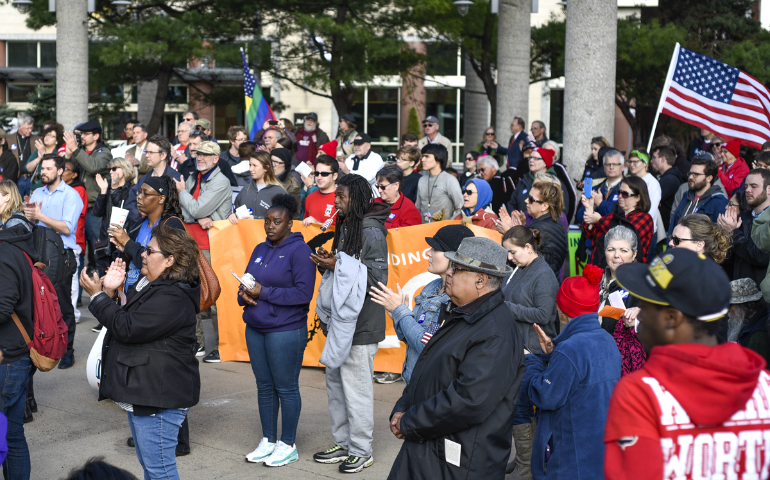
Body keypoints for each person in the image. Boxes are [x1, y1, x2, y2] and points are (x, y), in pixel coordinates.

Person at [605, 248, 769, 479]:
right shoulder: (765, 389)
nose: (639, 316)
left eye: (646, 306)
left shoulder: (640, 396)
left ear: (672, 319)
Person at [387, 237, 524, 479]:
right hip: (429, 450)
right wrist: (403, 409)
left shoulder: (494, 331)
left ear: (480, 280)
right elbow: (428, 369)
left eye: (457, 268)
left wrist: (409, 422)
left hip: (457, 463)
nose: (448, 273)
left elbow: (468, 400)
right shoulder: (461, 312)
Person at [80, 225, 201, 480]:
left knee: (160, 472)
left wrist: (98, 297)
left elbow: (127, 328)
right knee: (151, 468)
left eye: (149, 250)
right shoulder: (154, 285)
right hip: (148, 393)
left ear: (170, 260)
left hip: (158, 397)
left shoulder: (172, 296)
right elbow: (126, 318)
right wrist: (111, 291)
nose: (142, 254)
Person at [310, 174, 389, 473]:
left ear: (356, 197)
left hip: (362, 324)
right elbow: (350, 268)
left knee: (356, 391)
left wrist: (338, 265)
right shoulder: (346, 224)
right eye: (336, 195)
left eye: (341, 195)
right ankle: (343, 443)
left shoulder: (370, 231)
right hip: (341, 323)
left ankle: (361, 450)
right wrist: (333, 261)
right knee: (336, 387)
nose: (336, 200)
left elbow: (378, 280)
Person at [523, 263, 621, 480]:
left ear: (561, 310)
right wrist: (551, 355)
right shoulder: (606, 339)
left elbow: (545, 395)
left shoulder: (570, 349)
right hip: (601, 448)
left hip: (572, 454)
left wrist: (532, 361)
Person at [238, 194, 315, 467]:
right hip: (256, 326)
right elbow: (247, 282)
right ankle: (268, 440)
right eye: (267, 221)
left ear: (290, 224)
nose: (270, 226)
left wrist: (264, 292)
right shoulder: (260, 248)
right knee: (264, 387)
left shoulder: (300, 251)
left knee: (286, 387)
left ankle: (288, 444)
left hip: (285, 329)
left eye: (277, 221)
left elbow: (303, 294)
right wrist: (243, 295)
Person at [370, 225, 475, 385]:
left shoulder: (456, 300)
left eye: (436, 249)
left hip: (431, 389)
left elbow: (427, 345)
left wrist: (401, 313)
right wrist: (399, 317)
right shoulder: (432, 286)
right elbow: (413, 339)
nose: (428, 252)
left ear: (455, 257)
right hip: (413, 383)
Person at [500, 225, 559, 478]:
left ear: (528, 247)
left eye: (512, 252)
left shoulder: (543, 274)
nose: (509, 258)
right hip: (517, 348)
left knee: (522, 407)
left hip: (533, 351)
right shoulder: (520, 268)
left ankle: (528, 465)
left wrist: (506, 307)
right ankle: (524, 460)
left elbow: (544, 314)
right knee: (516, 407)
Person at [174, 140, 232, 364]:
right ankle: (196, 343)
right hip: (190, 242)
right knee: (190, 294)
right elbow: (186, 211)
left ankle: (219, 347)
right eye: (198, 153)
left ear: (216, 159)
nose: (199, 157)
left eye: (206, 155)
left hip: (211, 246)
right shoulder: (193, 176)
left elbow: (195, 207)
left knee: (215, 297)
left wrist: (185, 197)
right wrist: (196, 214)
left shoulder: (221, 181)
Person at [25, 154, 82, 369]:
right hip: (38, 254)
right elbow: (32, 221)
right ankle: (40, 344)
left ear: (60, 171)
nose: (44, 172)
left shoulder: (71, 195)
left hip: (62, 257)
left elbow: (67, 228)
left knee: (63, 305)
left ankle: (67, 351)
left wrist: (39, 216)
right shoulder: (38, 192)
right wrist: (28, 213)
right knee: (37, 303)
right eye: (42, 168)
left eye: (48, 168)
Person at [0, 219, 37, 480]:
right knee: (12, 433)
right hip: (17, 352)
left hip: (7, 357)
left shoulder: (3, 253)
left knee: (9, 435)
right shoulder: (17, 247)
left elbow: (3, 304)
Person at [598, 226, 646, 376]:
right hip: (595, 355)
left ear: (634, 254)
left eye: (624, 251)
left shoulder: (641, 285)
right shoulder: (597, 279)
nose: (616, 255)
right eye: (611, 249)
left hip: (619, 364)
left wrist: (640, 315)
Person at [500, 179, 568, 278]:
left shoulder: (539, 229)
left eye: (531, 199)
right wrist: (519, 229)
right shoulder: (555, 222)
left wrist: (508, 233)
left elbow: (520, 261)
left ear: (544, 206)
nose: (526, 201)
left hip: (537, 285)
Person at [583, 175, 654, 266]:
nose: (620, 196)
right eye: (618, 192)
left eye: (625, 194)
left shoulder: (645, 218)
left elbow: (625, 234)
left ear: (638, 197)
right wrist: (589, 207)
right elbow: (590, 234)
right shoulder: (613, 215)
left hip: (628, 273)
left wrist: (599, 220)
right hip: (601, 270)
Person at [718, 169, 770, 285]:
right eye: (746, 186)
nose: (747, 190)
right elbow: (730, 261)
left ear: (769, 189)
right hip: (738, 295)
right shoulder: (742, 219)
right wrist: (723, 235)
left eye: (754, 186)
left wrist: (734, 233)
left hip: (762, 298)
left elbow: (761, 257)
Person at [124, 135, 182, 226]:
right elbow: (130, 203)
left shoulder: (175, 178)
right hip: (144, 227)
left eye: (151, 152)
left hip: (165, 229)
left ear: (163, 155)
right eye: (146, 152)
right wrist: (141, 216)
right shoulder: (144, 179)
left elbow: (178, 207)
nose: (147, 155)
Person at [92, 158, 134, 273]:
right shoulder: (108, 187)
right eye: (109, 169)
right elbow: (97, 212)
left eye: (114, 168)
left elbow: (122, 211)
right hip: (105, 243)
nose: (111, 172)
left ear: (124, 169)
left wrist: (114, 189)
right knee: (102, 283)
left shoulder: (132, 189)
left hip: (121, 243)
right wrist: (103, 191)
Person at [506, 147, 568, 218]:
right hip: (521, 226)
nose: (531, 160)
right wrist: (515, 216)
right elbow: (512, 203)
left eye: (535, 158)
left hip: (544, 227)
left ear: (545, 163)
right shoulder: (524, 180)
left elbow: (562, 208)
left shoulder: (554, 183)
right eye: (530, 157)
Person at [228, 150, 287, 223]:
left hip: (267, 233)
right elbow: (237, 211)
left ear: (266, 168)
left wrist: (257, 219)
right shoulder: (246, 189)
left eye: (254, 166)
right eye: (250, 165)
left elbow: (283, 219)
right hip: (245, 233)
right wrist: (233, 216)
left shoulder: (279, 192)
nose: (250, 169)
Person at [62, 161, 88, 325]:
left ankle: (73, 314)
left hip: (74, 239)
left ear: (74, 175)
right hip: (62, 239)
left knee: (72, 279)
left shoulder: (78, 190)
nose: (62, 172)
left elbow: (78, 216)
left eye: (66, 169)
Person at [415, 144, 463, 223]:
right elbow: (417, 208)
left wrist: (449, 224)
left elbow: (461, 207)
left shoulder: (449, 179)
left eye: (427, 156)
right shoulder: (421, 180)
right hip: (422, 230)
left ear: (438, 159)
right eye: (422, 156)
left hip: (444, 231)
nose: (423, 159)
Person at [577, 148, 626, 224]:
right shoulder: (595, 187)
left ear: (622, 167)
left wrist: (600, 203)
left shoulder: (627, 189)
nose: (611, 167)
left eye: (615, 164)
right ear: (604, 167)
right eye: (608, 164)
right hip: (594, 235)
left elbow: (622, 215)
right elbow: (580, 217)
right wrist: (590, 207)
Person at [727, 278, 770, 364]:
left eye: (731, 306)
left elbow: (759, 372)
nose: (728, 311)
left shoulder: (757, 337)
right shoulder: (753, 322)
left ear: (745, 306)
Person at [650, 145, 685, 230]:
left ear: (663, 159)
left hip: (665, 229)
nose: (651, 161)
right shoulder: (667, 177)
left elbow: (650, 200)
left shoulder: (669, 180)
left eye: (654, 157)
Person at [627, 150, 661, 235]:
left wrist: (638, 226)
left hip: (645, 231)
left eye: (635, 162)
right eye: (630, 161)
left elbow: (651, 211)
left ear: (645, 163)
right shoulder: (629, 180)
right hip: (629, 228)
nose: (631, 165)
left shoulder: (652, 183)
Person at [25, 124, 65, 193]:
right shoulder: (38, 151)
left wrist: (44, 154)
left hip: (51, 189)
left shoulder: (58, 152)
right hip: (35, 189)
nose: (47, 137)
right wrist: (39, 158)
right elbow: (27, 169)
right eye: (47, 135)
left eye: (51, 136)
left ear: (57, 140)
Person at [302, 154, 339, 227]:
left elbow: (346, 231)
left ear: (335, 176)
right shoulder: (310, 197)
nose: (319, 177)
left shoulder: (343, 199)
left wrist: (317, 224)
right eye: (317, 173)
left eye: (324, 174)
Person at [7, 114, 39, 196]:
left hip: (33, 178)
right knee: (17, 205)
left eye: (31, 127)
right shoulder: (9, 139)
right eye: (27, 128)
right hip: (17, 178)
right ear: (19, 127)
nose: (30, 130)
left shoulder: (36, 139)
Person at [271, 148, 301, 214]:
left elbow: (294, 213)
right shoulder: (266, 177)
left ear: (285, 165)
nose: (273, 165)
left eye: (276, 162)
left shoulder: (292, 185)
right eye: (271, 161)